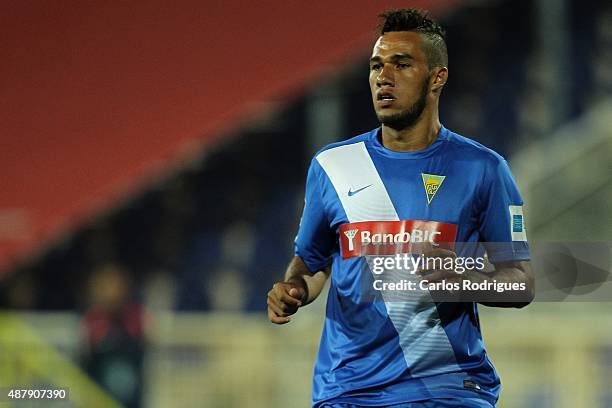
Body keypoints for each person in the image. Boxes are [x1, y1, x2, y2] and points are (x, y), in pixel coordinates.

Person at [267, 8, 534, 408]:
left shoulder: (483, 169)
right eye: (376, 66)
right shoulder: (334, 166)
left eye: (402, 64)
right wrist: (295, 289)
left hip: (448, 389)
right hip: (350, 390)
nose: (383, 77)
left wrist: (460, 277)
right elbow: (313, 261)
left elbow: (520, 283)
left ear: (437, 77)